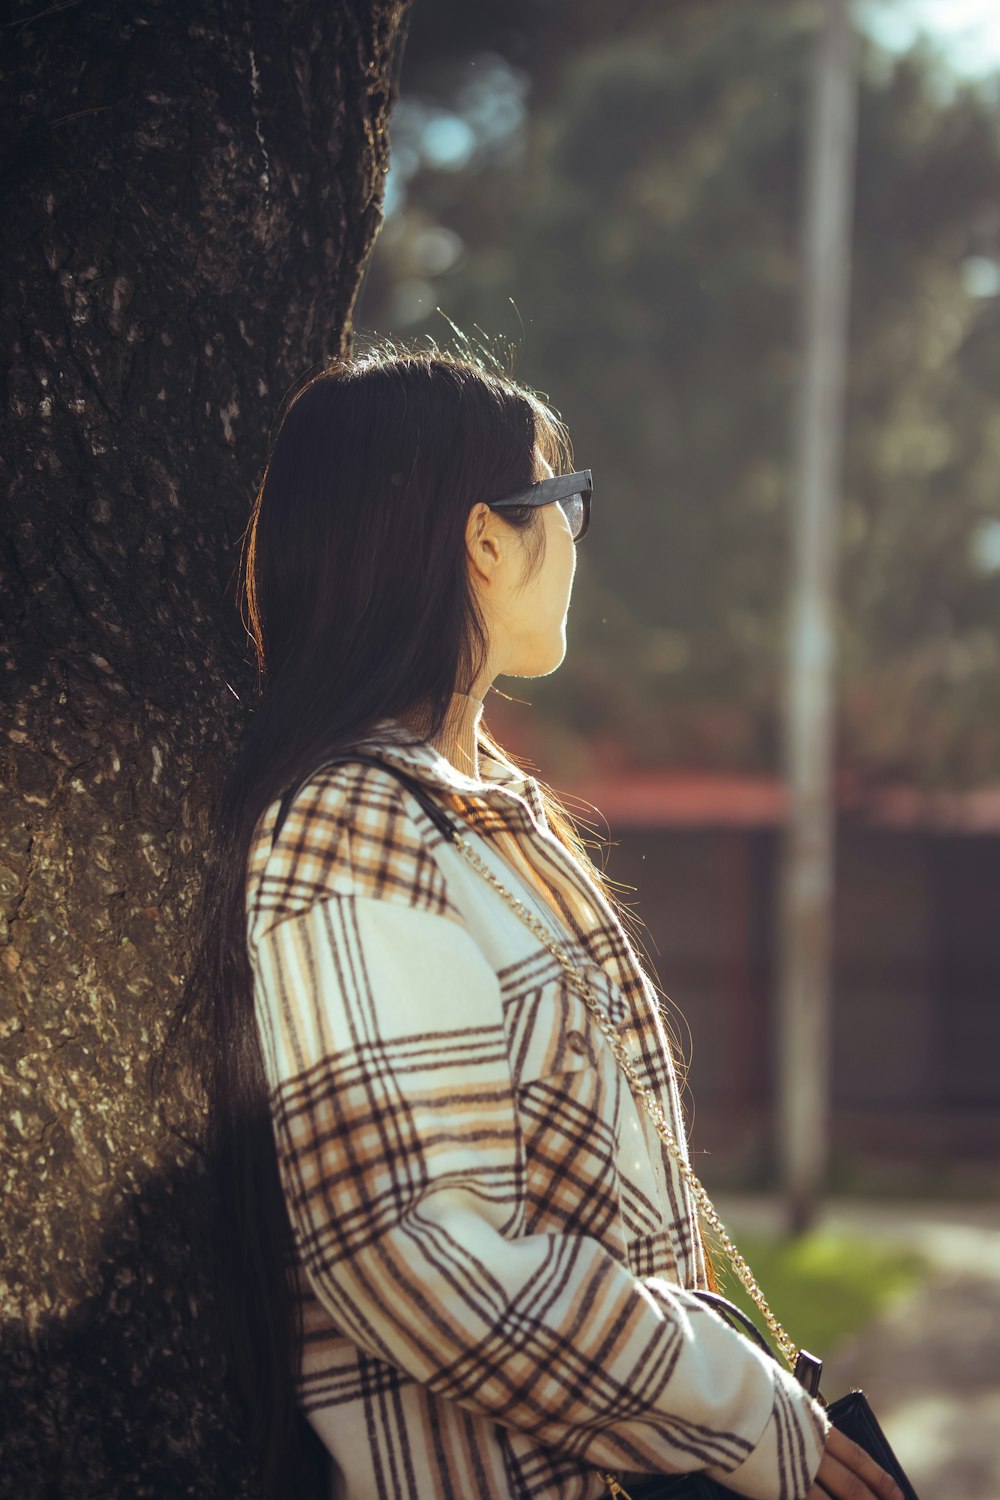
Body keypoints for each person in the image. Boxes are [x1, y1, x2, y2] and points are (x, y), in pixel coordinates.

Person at [190, 346, 903, 1500]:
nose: (577, 536)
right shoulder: (355, 831)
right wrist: (741, 1411)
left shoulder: (485, 813)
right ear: (483, 542)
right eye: (562, 503)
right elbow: (420, 1256)